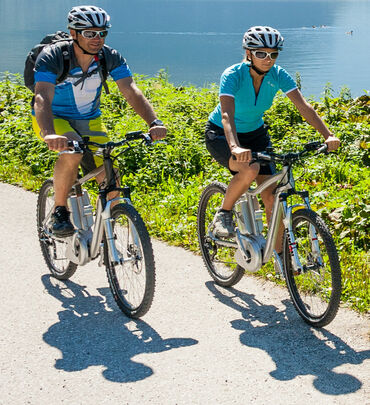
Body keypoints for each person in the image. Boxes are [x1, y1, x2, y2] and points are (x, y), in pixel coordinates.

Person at [204, 26, 340, 264]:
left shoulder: (278, 75)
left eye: (273, 54)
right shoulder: (233, 74)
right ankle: (223, 213)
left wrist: (328, 135)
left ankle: (280, 260)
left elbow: (304, 107)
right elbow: (227, 115)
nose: (268, 59)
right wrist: (235, 147)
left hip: (256, 134)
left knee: (271, 196)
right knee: (249, 169)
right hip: (222, 134)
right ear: (248, 53)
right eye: (261, 53)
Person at [32, 5, 166, 237]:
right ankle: (60, 211)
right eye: (89, 33)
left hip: (90, 119)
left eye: (102, 33)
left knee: (108, 168)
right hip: (54, 118)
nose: (97, 39)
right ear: (73, 33)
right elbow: (42, 95)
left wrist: (153, 122)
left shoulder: (109, 57)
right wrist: (49, 133)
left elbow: (131, 90)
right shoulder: (54, 56)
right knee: (71, 151)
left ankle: (113, 226)